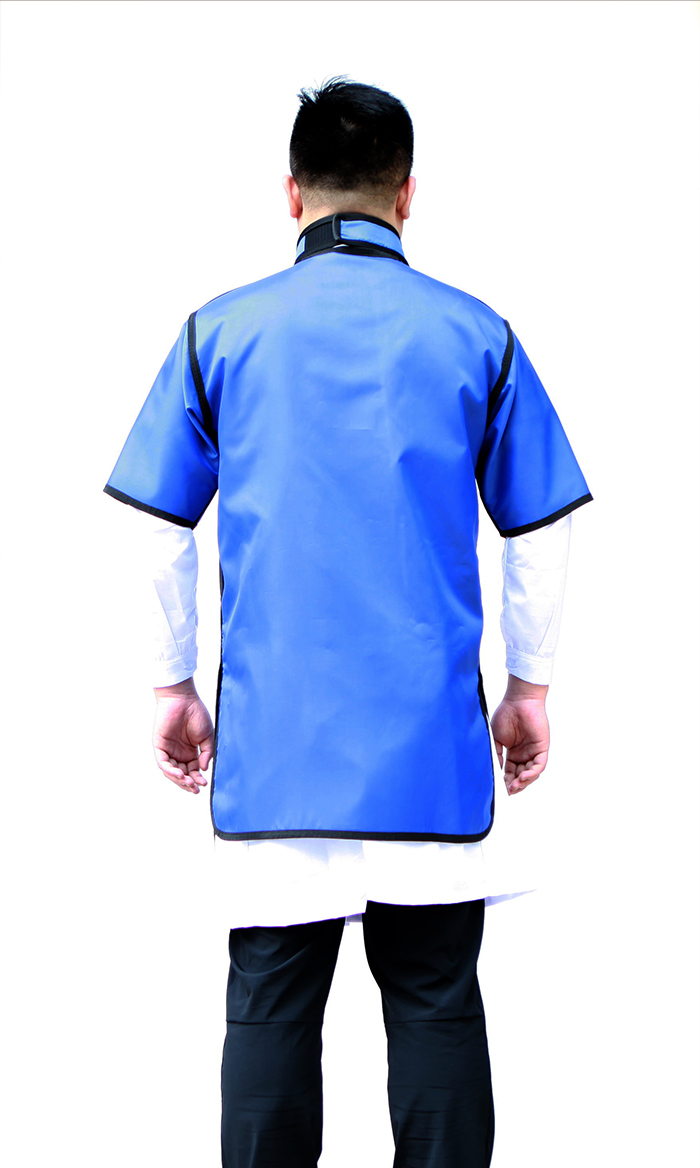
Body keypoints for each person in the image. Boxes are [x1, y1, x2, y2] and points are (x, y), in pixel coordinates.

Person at [105, 77, 592, 1168]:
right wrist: (529, 686)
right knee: (435, 999)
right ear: (407, 194)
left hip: (277, 747)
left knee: (268, 1003)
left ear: (291, 193)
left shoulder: (219, 334)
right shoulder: (476, 335)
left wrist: (171, 682)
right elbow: (542, 525)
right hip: (428, 746)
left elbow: (152, 520)